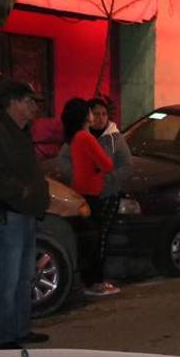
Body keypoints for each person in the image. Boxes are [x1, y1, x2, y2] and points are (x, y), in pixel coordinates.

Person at [0, 79, 50, 349]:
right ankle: (4, 337)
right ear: (13, 103)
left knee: (24, 276)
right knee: (7, 278)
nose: (33, 108)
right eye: (29, 102)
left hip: (24, 213)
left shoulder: (18, 132)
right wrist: (21, 192)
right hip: (8, 214)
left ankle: (19, 329)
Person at [57, 96, 133, 295]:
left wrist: (106, 178)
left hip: (99, 193)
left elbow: (125, 166)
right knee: (93, 238)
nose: (98, 117)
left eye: (103, 114)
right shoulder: (85, 137)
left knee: (92, 238)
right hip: (90, 193)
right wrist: (96, 170)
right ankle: (94, 282)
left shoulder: (112, 137)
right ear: (86, 115)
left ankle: (89, 279)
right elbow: (105, 164)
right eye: (94, 112)